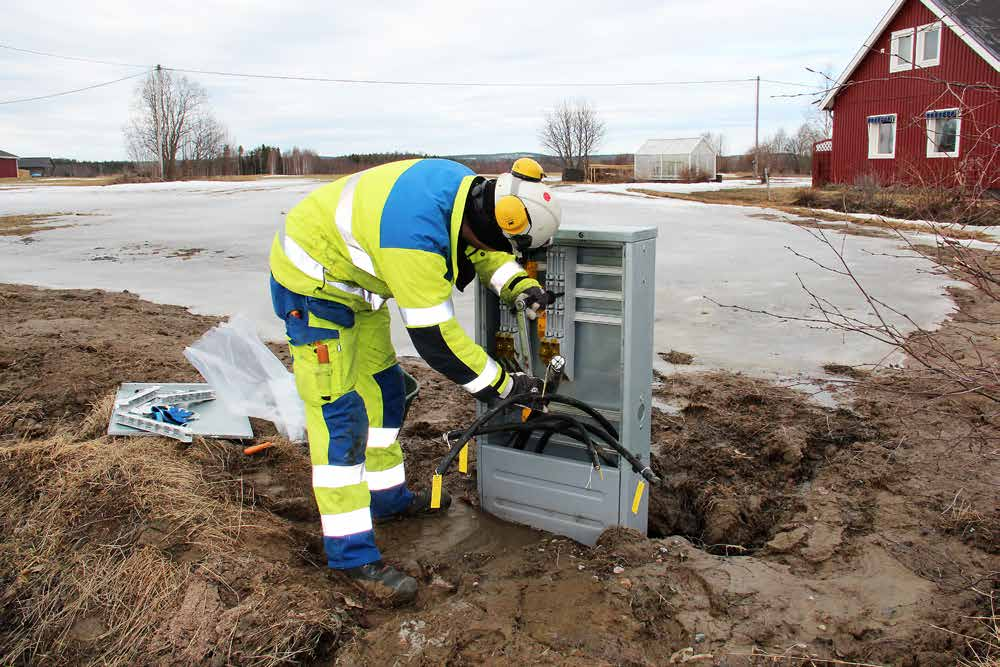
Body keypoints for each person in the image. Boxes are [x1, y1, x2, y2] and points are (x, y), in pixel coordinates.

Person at [268, 157, 561, 603]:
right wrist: (506, 387)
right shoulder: (416, 242)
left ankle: (387, 499)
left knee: (385, 391)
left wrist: (518, 285)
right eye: (512, 247)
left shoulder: (468, 192)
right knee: (340, 417)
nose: (507, 252)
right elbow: (437, 340)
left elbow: (482, 247)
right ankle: (351, 557)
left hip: (358, 285)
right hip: (313, 286)